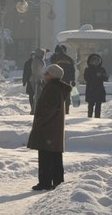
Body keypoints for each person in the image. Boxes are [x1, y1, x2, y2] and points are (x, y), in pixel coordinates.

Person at [27, 63, 71, 191]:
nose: (45, 75)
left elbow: (49, 109)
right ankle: (57, 181)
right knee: (55, 156)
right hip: (53, 128)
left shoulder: (52, 88)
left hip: (47, 128)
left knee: (45, 156)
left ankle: (45, 182)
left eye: (47, 73)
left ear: (53, 75)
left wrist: (40, 122)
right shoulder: (57, 88)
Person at [49, 44, 76, 112]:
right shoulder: (69, 58)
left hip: (57, 79)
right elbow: (72, 69)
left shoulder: (54, 58)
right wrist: (73, 80)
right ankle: (66, 108)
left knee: (57, 94)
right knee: (66, 93)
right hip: (67, 79)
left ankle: (58, 108)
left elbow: (51, 68)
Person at [82, 53, 109, 118]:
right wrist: (95, 76)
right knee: (90, 105)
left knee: (98, 105)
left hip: (99, 89)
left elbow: (106, 78)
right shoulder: (88, 69)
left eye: (97, 61)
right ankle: (89, 117)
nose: (96, 62)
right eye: (94, 61)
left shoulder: (102, 69)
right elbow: (86, 78)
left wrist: (101, 76)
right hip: (91, 89)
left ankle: (97, 117)